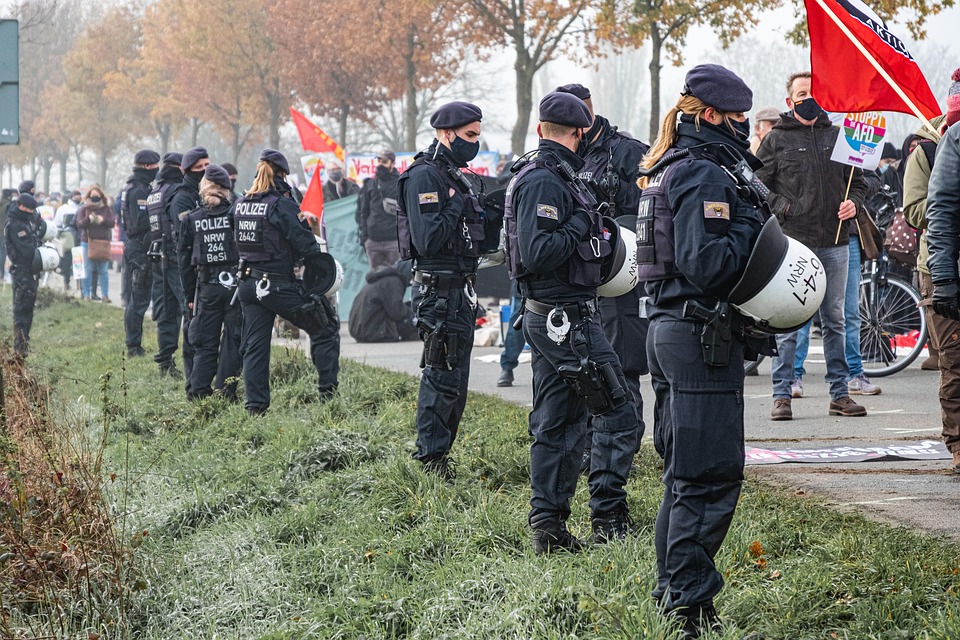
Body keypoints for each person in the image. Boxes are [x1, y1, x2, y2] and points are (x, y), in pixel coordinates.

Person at [637, 64, 766, 637]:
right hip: (699, 335)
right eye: (739, 118)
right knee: (708, 475)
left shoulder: (672, 167)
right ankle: (687, 607)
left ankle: (677, 594)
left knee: (685, 474)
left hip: (674, 332)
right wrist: (757, 232)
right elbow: (708, 262)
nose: (745, 128)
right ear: (710, 115)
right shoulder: (706, 176)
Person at [504, 91, 638, 553]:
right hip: (565, 318)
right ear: (581, 132)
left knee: (560, 422)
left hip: (555, 315)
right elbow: (539, 252)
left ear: (541, 128)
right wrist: (584, 222)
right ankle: (609, 517)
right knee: (619, 413)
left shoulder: (552, 174)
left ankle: (549, 530)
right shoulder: (546, 180)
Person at [756, 71, 868, 420]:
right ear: (790, 101)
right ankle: (781, 395)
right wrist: (785, 208)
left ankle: (839, 394)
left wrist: (855, 202)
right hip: (794, 245)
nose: (809, 97)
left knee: (835, 320)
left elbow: (862, 182)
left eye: (814, 91)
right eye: (802, 93)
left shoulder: (840, 136)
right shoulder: (775, 139)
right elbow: (757, 186)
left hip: (836, 241)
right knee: (789, 321)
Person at [398, 101, 498, 480]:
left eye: (477, 135)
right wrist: (457, 206)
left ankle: (441, 458)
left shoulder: (457, 176)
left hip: (460, 289)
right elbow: (428, 238)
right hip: (437, 291)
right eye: (469, 135)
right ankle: (431, 463)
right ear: (446, 133)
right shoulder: (426, 176)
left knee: (457, 381)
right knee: (442, 378)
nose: (474, 142)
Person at [555, 82, 650, 471]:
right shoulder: (565, 156)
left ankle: (626, 444)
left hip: (621, 273)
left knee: (622, 363)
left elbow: (651, 209)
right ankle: (593, 444)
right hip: (582, 278)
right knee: (585, 366)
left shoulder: (627, 151)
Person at [233, 149, 340, 415]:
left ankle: (255, 408)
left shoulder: (240, 203)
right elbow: (305, 244)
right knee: (325, 328)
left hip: (248, 284)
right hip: (278, 285)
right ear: (282, 174)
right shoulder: (281, 204)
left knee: (255, 346)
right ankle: (329, 395)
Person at [914, 68, 960, 473]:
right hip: (948, 270)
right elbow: (934, 211)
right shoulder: (950, 142)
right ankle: (959, 444)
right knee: (956, 362)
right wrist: (945, 277)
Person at [178, 164, 241, 401]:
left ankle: (198, 394)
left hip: (206, 288)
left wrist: (188, 297)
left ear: (204, 187)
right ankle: (226, 393)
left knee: (205, 343)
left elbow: (184, 262)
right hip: (235, 287)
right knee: (233, 343)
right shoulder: (236, 214)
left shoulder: (191, 219)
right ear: (227, 189)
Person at [163, 147, 208, 383]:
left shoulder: (206, 192)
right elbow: (186, 236)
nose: (205, 171)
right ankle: (192, 377)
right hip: (190, 266)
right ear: (188, 170)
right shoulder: (182, 198)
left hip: (209, 266)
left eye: (207, 166)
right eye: (200, 168)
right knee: (191, 321)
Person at [147, 151, 187, 376]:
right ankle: (190, 363)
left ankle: (165, 361)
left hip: (159, 257)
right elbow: (177, 226)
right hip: (174, 257)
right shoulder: (175, 191)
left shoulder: (155, 191)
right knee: (187, 308)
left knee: (166, 312)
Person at [121, 149, 161, 358]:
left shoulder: (134, 187)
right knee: (138, 298)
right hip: (139, 247)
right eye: (154, 166)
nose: (157, 169)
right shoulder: (138, 191)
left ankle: (133, 343)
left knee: (136, 297)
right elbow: (140, 222)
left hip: (134, 245)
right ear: (147, 167)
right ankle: (134, 346)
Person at [4, 194, 44, 356]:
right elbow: (27, 251)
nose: (32, 212)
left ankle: (24, 343)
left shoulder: (24, 222)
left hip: (29, 272)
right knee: (21, 310)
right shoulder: (15, 226)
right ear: (22, 206)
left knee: (28, 308)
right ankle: (19, 347)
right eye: (30, 209)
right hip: (22, 272)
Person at [347, 259, 417, 342]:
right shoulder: (393, 282)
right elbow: (397, 312)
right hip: (374, 332)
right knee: (415, 320)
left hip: (360, 330)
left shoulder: (383, 279)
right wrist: (412, 313)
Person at [357, 148, 401, 269]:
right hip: (373, 242)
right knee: (376, 280)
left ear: (392, 163)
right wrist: (365, 238)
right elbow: (363, 212)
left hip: (394, 242)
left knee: (394, 280)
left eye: (385, 162)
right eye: (379, 161)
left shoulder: (401, 183)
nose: (381, 165)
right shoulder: (370, 184)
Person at [75, 185, 117, 304]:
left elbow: (112, 223)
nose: (94, 198)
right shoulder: (84, 209)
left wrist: (102, 220)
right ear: (88, 197)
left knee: (103, 270)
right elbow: (79, 224)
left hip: (102, 242)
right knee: (87, 269)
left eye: (97, 196)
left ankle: (105, 295)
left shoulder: (106, 209)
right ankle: (87, 294)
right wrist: (89, 219)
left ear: (101, 196)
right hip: (87, 242)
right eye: (92, 196)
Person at [54, 190, 81, 289]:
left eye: (79, 195)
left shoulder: (81, 208)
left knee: (79, 261)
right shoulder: (63, 209)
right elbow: (57, 224)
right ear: (71, 197)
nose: (78, 197)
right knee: (67, 261)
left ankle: (79, 283)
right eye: (76, 195)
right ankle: (66, 282)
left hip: (79, 237)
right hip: (67, 238)